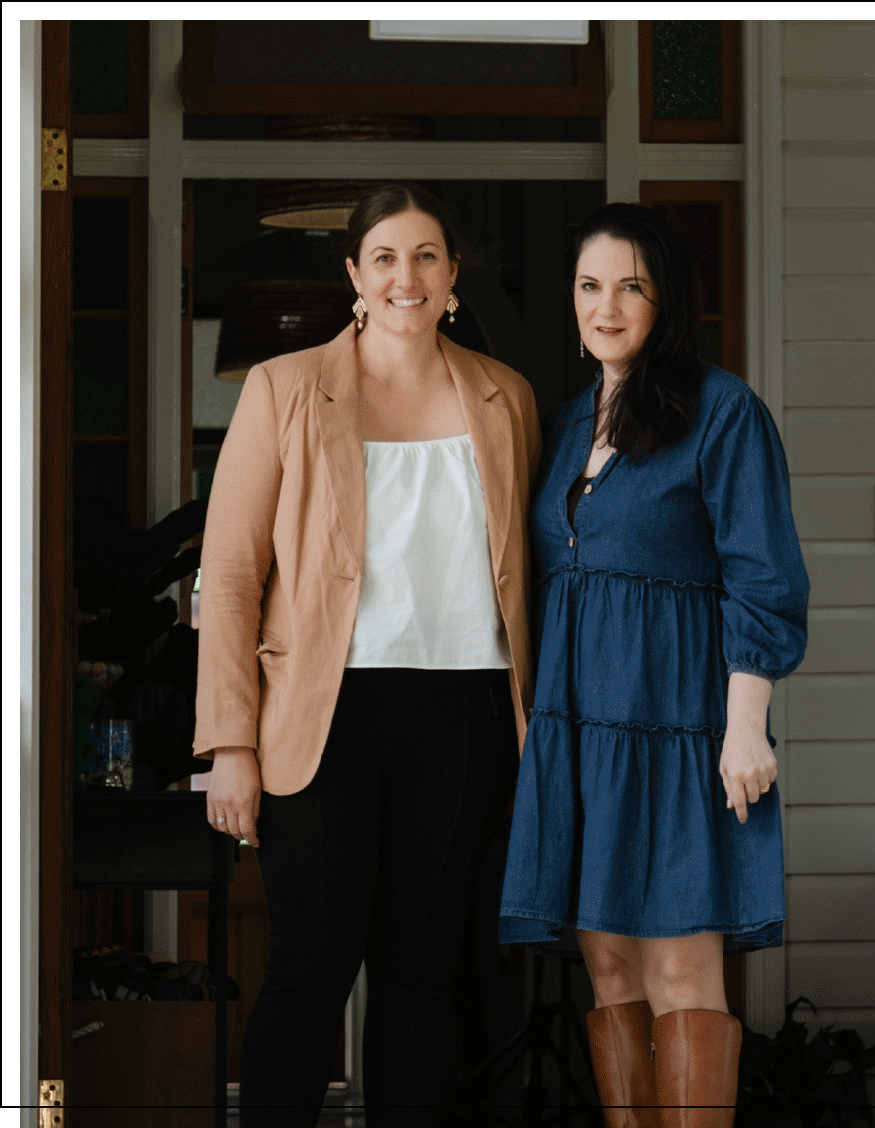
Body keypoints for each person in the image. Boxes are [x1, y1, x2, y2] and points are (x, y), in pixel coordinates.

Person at [194, 184, 540, 1127]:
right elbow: (228, 573)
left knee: (422, 972)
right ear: (353, 275)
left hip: (465, 711)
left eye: (425, 256)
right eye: (384, 257)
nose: (406, 276)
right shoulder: (285, 386)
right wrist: (230, 741)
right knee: (309, 966)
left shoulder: (505, 397)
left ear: (453, 276)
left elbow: (529, 572)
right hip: (323, 714)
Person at [498, 204, 809, 1128]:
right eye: (590, 286)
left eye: (630, 285)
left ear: (666, 297)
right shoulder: (556, 426)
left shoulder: (721, 411)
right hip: (581, 735)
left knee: (679, 963)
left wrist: (744, 723)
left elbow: (764, 574)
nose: (606, 306)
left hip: (681, 729)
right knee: (609, 967)